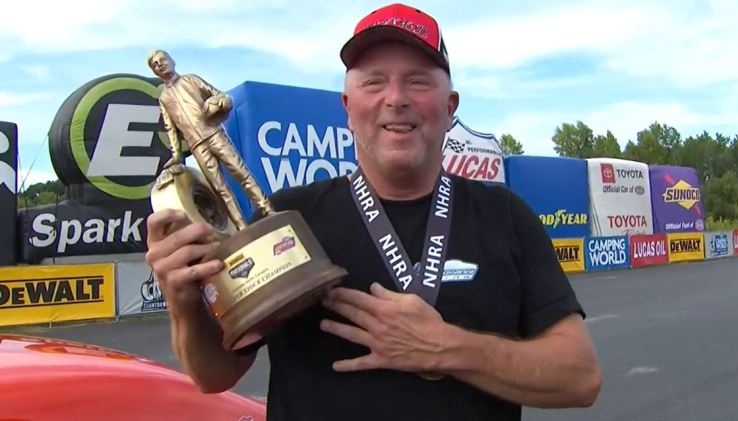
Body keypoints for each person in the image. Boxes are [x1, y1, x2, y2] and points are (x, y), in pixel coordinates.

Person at [144, 3, 601, 421]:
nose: (395, 97)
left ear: (450, 108)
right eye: (374, 81)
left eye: (418, 80)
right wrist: (183, 302)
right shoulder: (287, 218)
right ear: (348, 108)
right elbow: (215, 375)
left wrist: (446, 347)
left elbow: (579, 378)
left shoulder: (505, 215)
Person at [147, 49, 271, 230]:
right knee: (220, 189)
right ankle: (241, 227)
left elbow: (220, 95)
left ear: (172, 61)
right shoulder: (164, 98)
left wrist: (223, 102)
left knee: (241, 173)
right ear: (155, 72)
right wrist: (176, 154)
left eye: (162, 60)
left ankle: (267, 209)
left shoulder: (191, 80)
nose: (160, 65)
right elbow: (170, 128)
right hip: (197, 146)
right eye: (155, 65)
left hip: (214, 134)